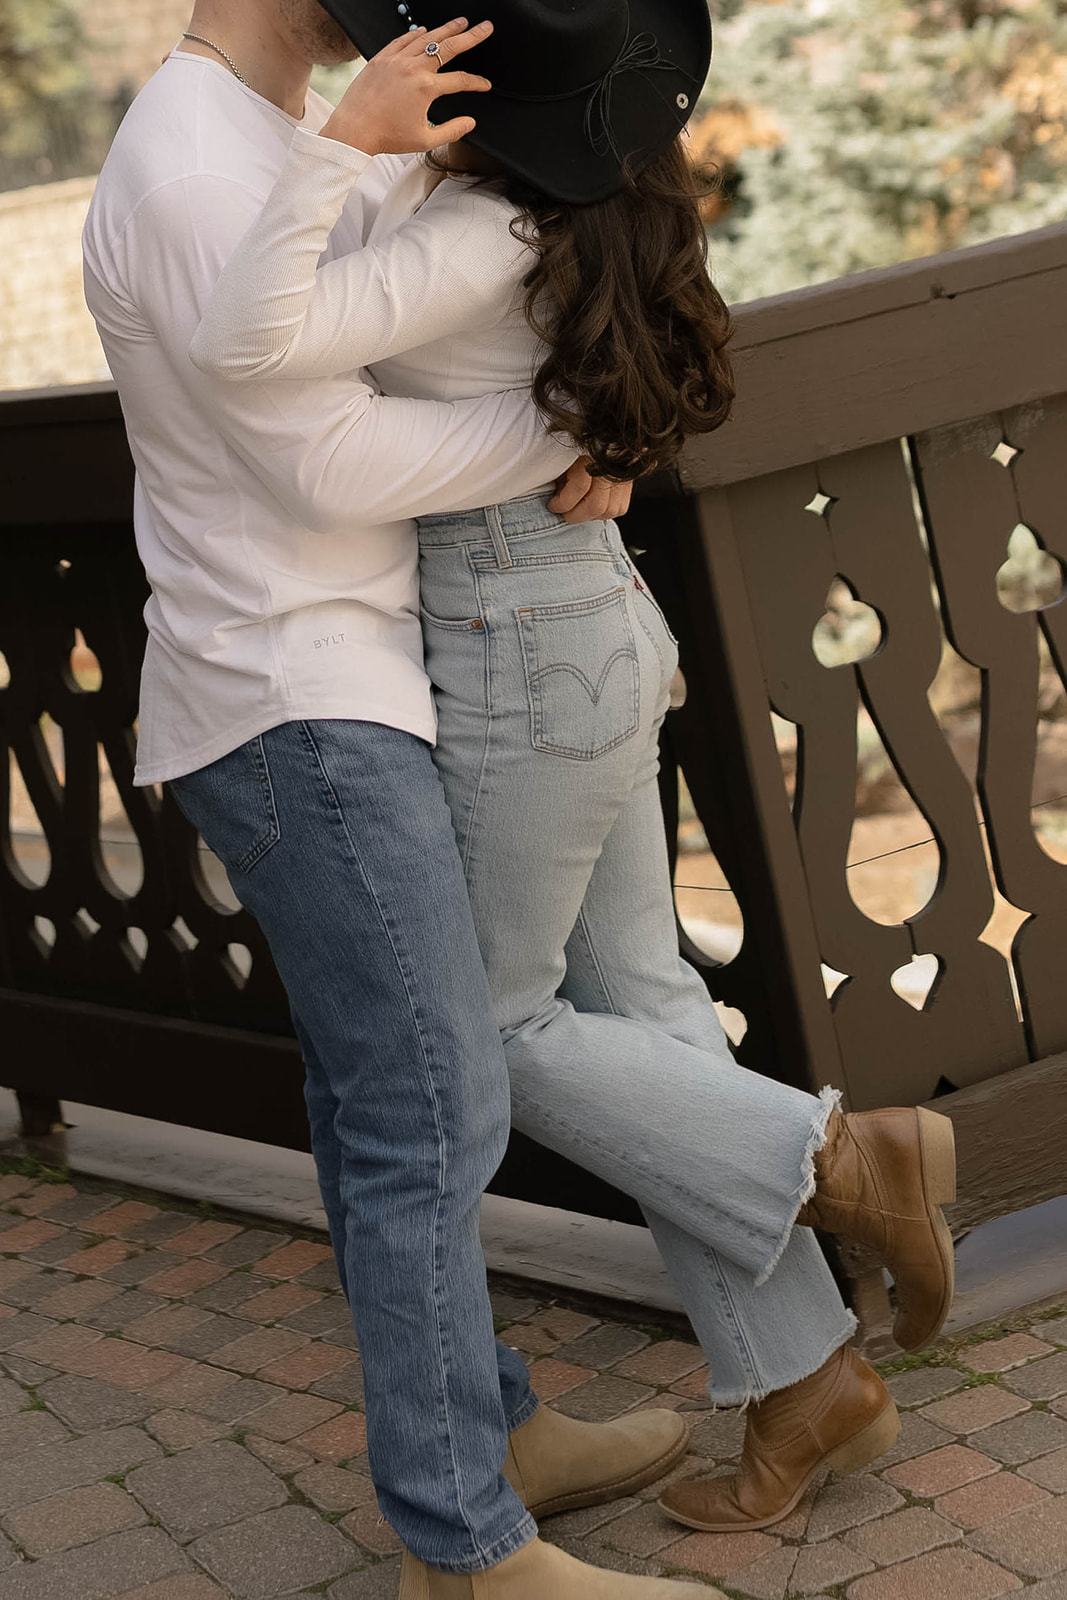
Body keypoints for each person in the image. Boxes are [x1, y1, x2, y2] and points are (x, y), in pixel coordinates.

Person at [188, 0, 959, 1589]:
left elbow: (249, 343)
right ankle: (810, 1388)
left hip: (518, 647)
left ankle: (847, 1160)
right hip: (578, 622)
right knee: (643, 1005)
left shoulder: (478, 233)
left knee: (488, 1034)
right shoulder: (580, 200)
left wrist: (336, 146)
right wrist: (576, 416)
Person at [82, 4, 720, 1597]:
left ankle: (485, 1437)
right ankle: (468, 1537)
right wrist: (568, 430)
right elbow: (324, 460)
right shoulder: (186, 159)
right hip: (291, 693)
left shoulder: (288, 125)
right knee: (433, 1111)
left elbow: (415, 315)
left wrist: (599, 420)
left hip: (358, 675)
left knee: (404, 1105)